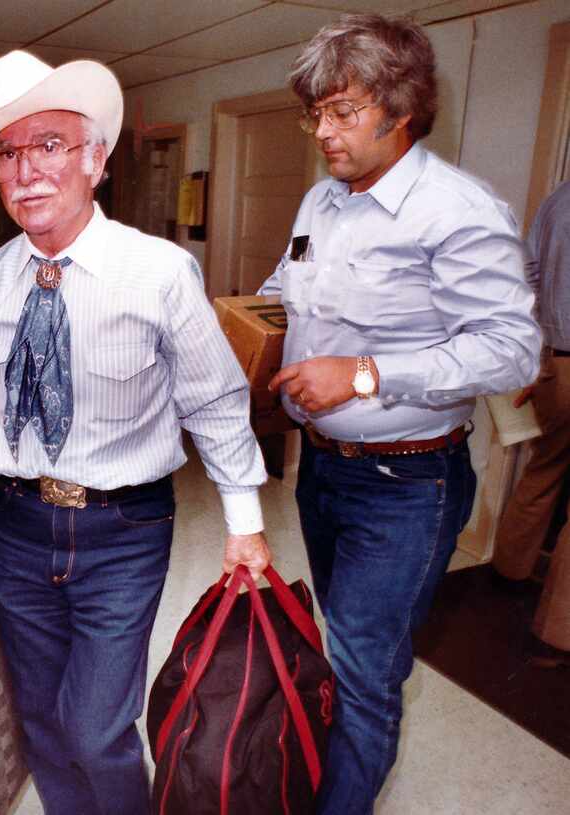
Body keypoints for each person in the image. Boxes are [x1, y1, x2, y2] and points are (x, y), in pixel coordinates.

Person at [0, 50, 271, 815]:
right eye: (6, 154)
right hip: (15, 526)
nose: (26, 171)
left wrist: (244, 522)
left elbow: (215, 402)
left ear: (96, 159)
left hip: (123, 529)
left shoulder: (160, 273)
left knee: (96, 726)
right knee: (43, 720)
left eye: (48, 144)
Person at [257, 14, 541, 815]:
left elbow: (512, 352)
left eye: (342, 111)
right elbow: (287, 290)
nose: (323, 132)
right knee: (343, 649)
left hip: (407, 484)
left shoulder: (457, 210)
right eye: (314, 113)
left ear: (402, 106)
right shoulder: (323, 201)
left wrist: (367, 374)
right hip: (323, 472)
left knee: (362, 670)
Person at [493, 180, 570, 668]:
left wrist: (540, 341)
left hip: (556, 362)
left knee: (545, 466)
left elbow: (526, 274)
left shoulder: (560, 199)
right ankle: (558, 633)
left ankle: (508, 571)